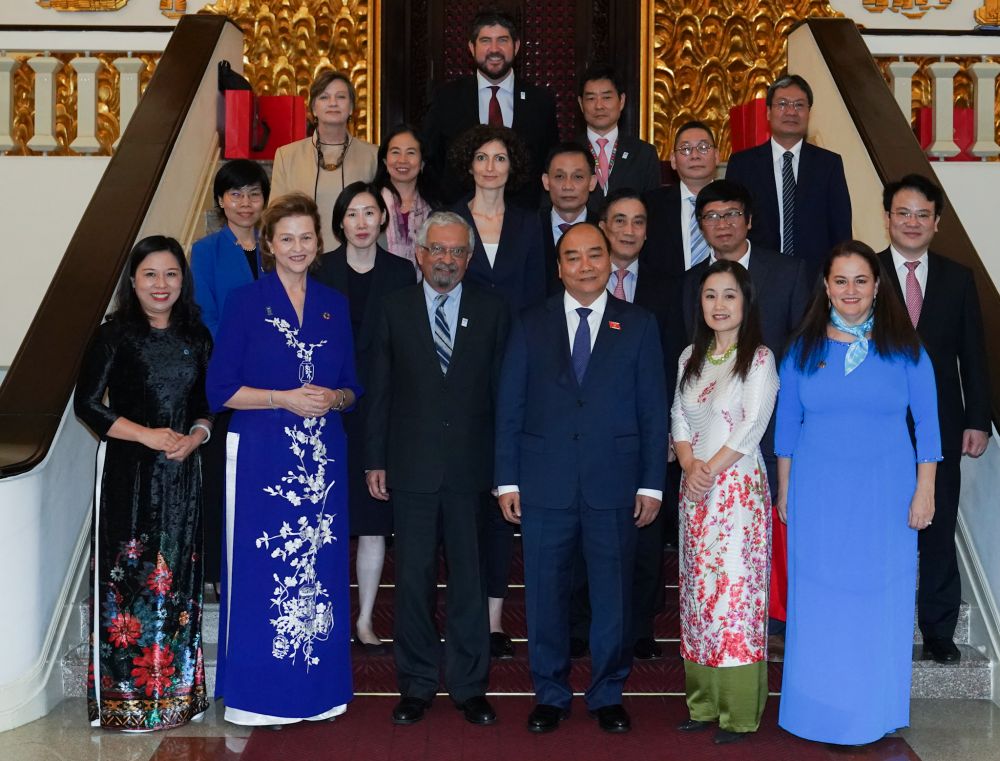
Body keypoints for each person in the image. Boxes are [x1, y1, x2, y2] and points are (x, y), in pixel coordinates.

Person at [495, 222, 668, 735]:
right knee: (545, 594)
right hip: (543, 484)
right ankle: (549, 693)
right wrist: (506, 480)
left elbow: (652, 408)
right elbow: (510, 406)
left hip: (614, 486)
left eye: (595, 255)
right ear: (559, 267)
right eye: (574, 257)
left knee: (612, 595)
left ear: (609, 260)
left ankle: (607, 692)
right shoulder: (529, 323)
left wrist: (651, 483)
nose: (586, 265)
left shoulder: (638, 324)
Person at [206, 193, 362, 727]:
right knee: (259, 569)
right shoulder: (245, 301)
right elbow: (220, 390)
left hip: (322, 457)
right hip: (261, 456)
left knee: (317, 571)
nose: (297, 247)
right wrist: (283, 397)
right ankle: (258, 695)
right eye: (286, 238)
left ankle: (318, 692)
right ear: (269, 245)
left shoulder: (333, 303)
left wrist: (333, 399)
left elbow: (352, 387)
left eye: (306, 237)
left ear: (320, 243)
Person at [776, 241, 941, 745]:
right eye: (841, 281)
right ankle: (818, 714)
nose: (851, 291)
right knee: (820, 603)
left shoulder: (906, 348)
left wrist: (925, 492)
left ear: (877, 287)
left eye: (861, 281)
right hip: (817, 495)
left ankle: (872, 712)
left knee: (877, 603)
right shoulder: (802, 350)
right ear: (825, 287)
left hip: (886, 497)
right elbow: (787, 428)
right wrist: (785, 492)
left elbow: (929, 428)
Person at [365, 211, 510, 726]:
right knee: (414, 582)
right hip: (411, 469)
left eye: (456, 252)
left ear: (468, 260)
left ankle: (471, 686)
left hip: (473, 473)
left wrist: (505, 467)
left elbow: (504, 398)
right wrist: (375, 459)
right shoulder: (392, 309)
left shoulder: (494, 311)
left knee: (470, 582)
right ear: (419, 255)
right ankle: (418, 684)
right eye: (437, 250)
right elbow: (379, 391)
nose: (446, 259)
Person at [75, 235, 213, 731]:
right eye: (150, 274)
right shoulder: (113, 335)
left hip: (182, 475)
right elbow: (88, 404)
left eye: (171, 274)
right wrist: (148, 436)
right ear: (133, 281)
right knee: (126, 580)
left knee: (177, 580)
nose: (161, 284)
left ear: (183, 280)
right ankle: (125, 702)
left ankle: (178, 698)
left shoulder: (197, 337)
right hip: (126, 475)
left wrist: (196, 436)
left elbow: (207, 405)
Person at [681, 179, 810, 658]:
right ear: (701, 227)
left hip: (770, 433)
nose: (723, 224)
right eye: (711, 217)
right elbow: (689, 372)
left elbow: (799, 354)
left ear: (750, 220)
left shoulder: (790, 272)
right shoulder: (692, 283)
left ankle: (772, 629)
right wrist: (689, 451)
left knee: (764, 548)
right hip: (706, 440)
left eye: (732, 214)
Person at [877, 174, 990, 663]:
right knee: (883, 526)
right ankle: (882, 622)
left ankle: (939, 632)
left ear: (937, 223)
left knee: (939, 528)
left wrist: (978, 419)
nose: (912, 222)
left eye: (923, 214)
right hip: (877, 425)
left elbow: (974, 355)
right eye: (903, 212)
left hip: (941, 425)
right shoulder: (866, 274)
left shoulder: (958, 277)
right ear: (887, 219)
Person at [568, 189, 680, 663]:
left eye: (638, 222)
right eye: (620, 221)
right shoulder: (576, 283)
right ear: (604, 228)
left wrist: (672, 433)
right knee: (581, 537)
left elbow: (678, 362)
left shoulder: (669, 287)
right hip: (585, 437)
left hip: (645, 431)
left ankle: (638, 629)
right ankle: (580, 627)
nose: (629, 230)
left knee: (643, 538)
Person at [672, 259, 778, 745]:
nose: (719, 304)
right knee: (698, 598)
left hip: (736, 494)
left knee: (734, 599)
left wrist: (708, 470)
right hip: (695, 494)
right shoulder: (690, 356)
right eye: (710, 294)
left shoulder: (759, 359)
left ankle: (738, 713)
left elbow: (752, 425)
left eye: (729, 295)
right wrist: (690, 466)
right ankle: (703, 704)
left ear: (746, 301)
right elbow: (677, 417)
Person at [449, 124, 546, 658]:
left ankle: (492, 618)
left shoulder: (531, 224)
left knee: (504, 497)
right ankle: (464, 610)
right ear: (469, 164)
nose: (490, 166)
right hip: (457, 371)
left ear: (513, 167)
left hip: (514, 368)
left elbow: (537, 298)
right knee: (461, 497)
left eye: (500, 158)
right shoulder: (448, 220)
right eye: (482, 157)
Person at [313, 181, 416, 656]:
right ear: (339, 222)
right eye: (351, 214)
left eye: (369, 213)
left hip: (382, 410)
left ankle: (367, 619)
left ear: (383, 219)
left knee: (374, 520)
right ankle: (328, 616)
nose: (360, 222)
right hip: (325, 410)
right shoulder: (319, 270)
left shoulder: (401, 272)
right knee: (327, 520)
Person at [190, 158, 271, 595]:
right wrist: (251, 355)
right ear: (221, 200)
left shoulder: (276, 245)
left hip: (276, 382)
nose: (245, 202)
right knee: (222, 475)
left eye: (254, 193)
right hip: (226, 379)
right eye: (235, 194)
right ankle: (215, 572)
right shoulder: (205, 251)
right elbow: (205, 316)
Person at [422, 8, 558, 206]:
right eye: (485, 41)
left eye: (502, 40)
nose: (494, 49)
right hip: (461, 219)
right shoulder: (446, 98)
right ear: (471, 47)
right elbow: (430, 162)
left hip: (524, 219)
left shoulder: (541, 101)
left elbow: (550, 164)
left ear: (517, 46)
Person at [725, 74, 852, 281]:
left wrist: (838, 279)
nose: (791, 111)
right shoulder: (743, 164)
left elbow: (841, 230)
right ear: (768, 112)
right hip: (757, 278)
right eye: (782, 104)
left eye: (799, 105)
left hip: (815, 279)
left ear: (809, 112)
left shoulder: (829, 164)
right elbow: (732, 223)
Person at [271, 71, 379, 251]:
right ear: (313, 108)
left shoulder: (373, 156)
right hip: (303, 258)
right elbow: (275, 216)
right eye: (324, 97)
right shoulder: (287, 156)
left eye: (341, 97)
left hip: (359, 260)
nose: (333, 103)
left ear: (352, 107)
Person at [577, 63, 660, 211]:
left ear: (621, 101)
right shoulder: (566, 153)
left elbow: (653, 210)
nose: (599, 106)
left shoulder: (644, 154)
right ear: (581, 104)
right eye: (591, 99)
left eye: (606, 97)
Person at [643, 121, 720, 278]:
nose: (695, 155)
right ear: (673, 159)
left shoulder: (734, 204)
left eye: (703, 148)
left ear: (717, 156)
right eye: (685, 149)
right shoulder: (650, 206)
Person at [372, 124, 439, 271]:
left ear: (422, 162)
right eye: (395, 152)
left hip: (423, 290)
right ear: (384, 160)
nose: (402, 160)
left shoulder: (436, 209)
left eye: (411, 153)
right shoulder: (370, 202)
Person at [540, 142, 598, 295]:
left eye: (578, 177)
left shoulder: (603, 228)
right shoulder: (527, 227)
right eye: (559, 177)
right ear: (546, 181)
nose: (568, 186)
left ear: (592, 182)